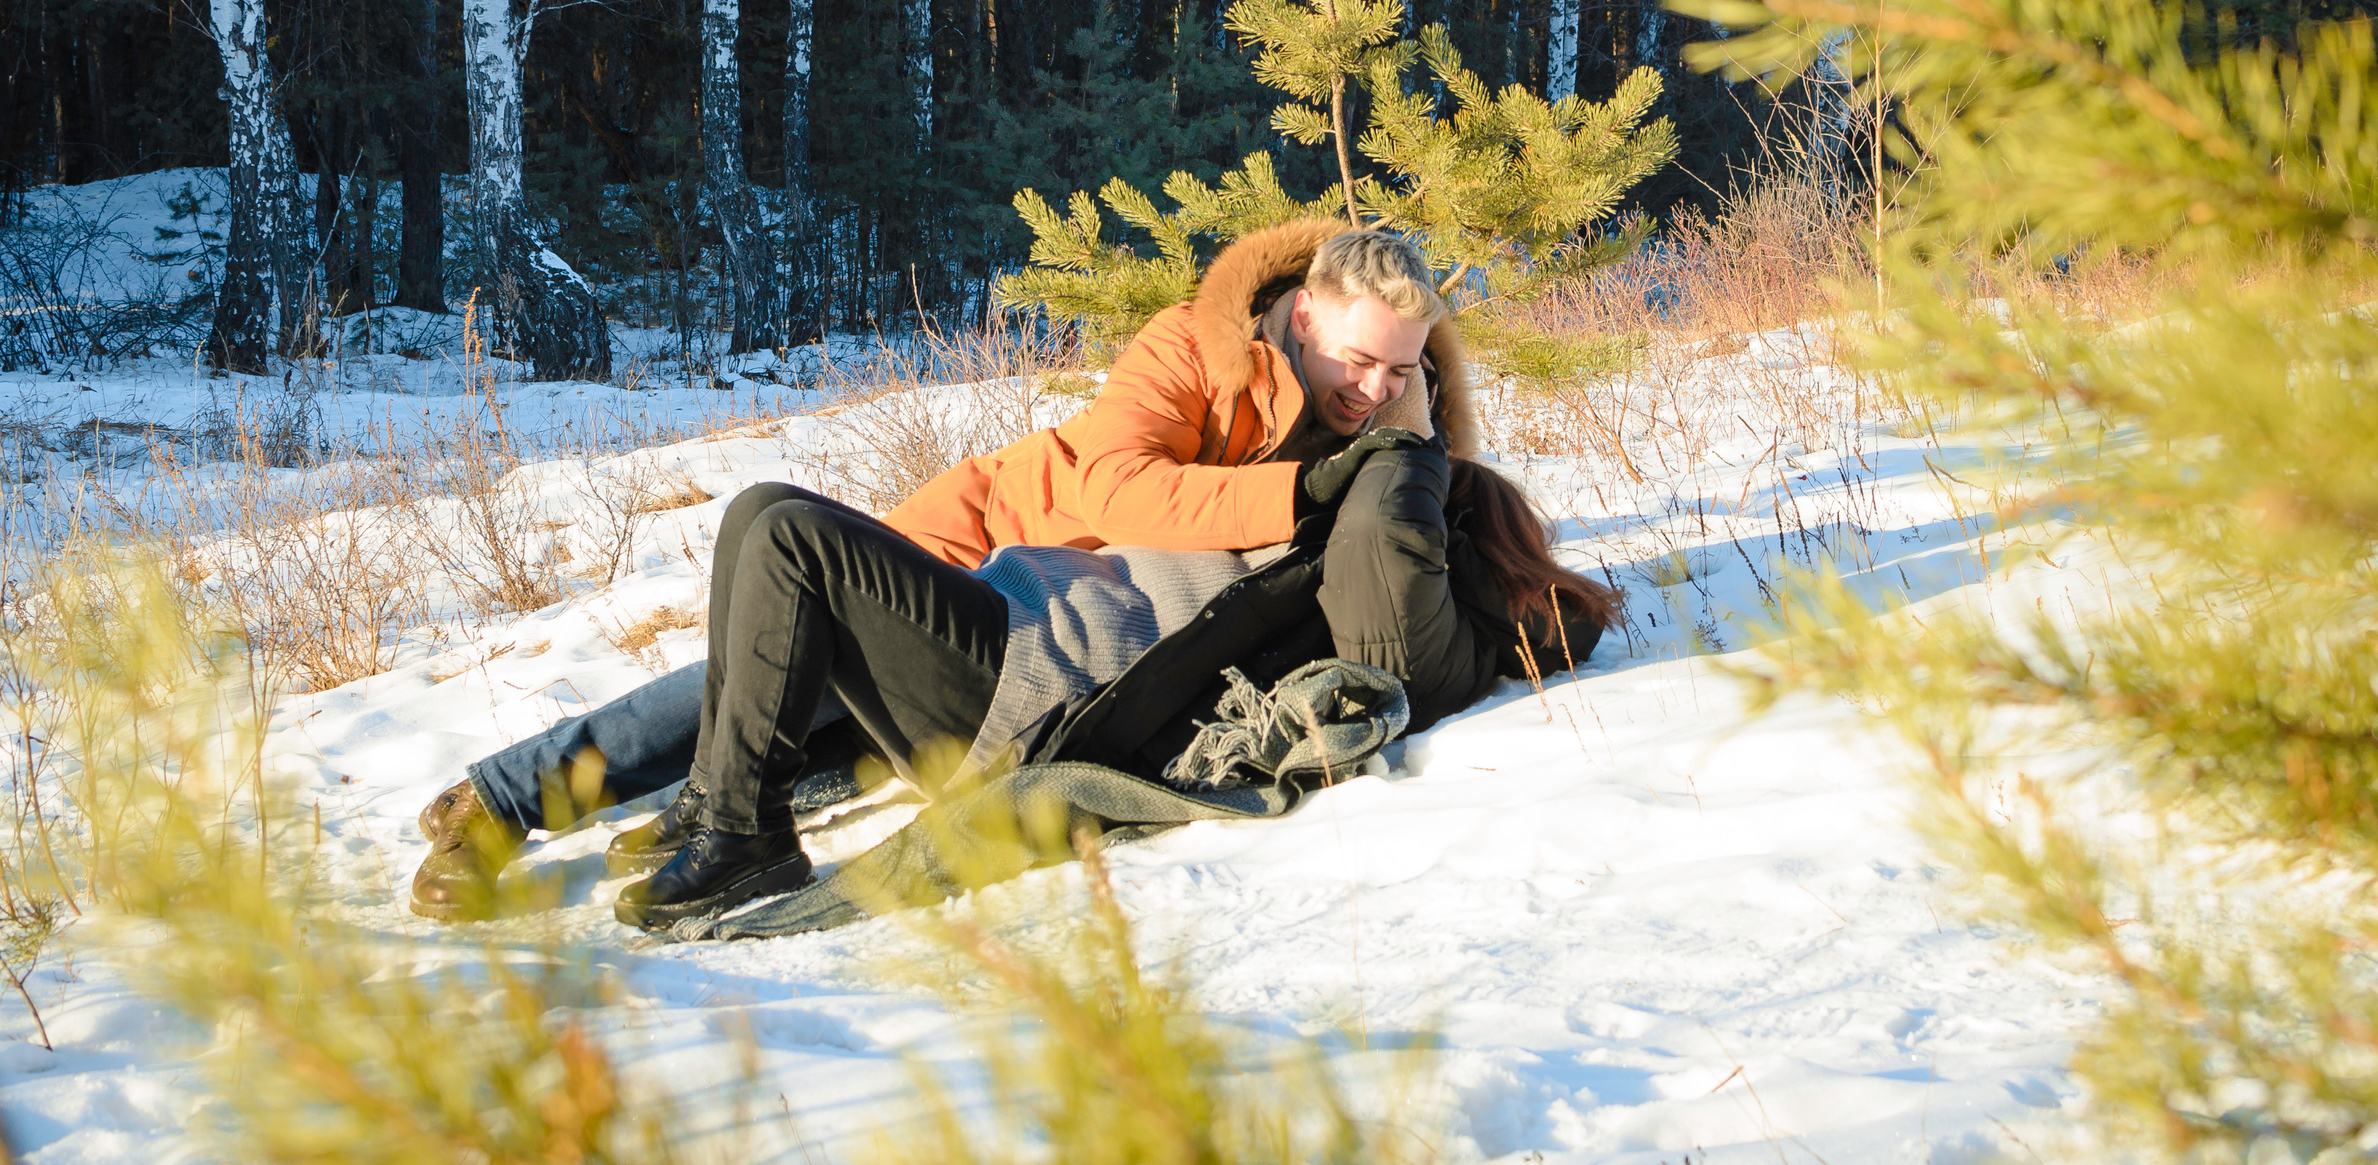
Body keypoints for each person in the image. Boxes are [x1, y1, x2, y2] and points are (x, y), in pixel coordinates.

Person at [409, 225, 1619, 924]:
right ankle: (523, 794)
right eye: (1359, 360)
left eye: (1398, 369)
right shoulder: (1191, 350)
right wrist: (1304, 488)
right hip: (998, 542)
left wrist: (1413, 451)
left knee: (782, 647)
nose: (1372, 385)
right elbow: (1114, 492)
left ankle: (722, 809)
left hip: (1059, 637)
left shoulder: (1372, 419)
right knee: (765, 648)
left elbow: (1424, 512)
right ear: (1300, 319)